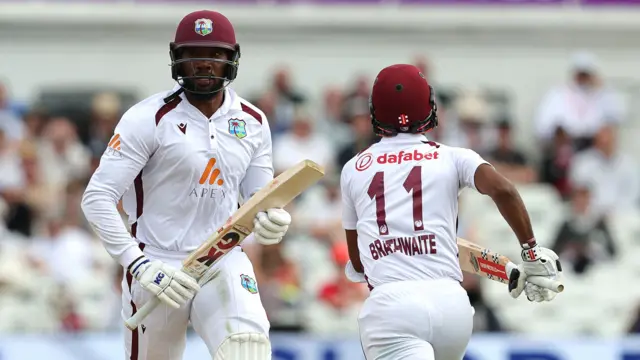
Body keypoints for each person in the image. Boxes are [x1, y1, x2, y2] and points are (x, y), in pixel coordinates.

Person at [81, 10, 290, 360]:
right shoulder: (147, 118)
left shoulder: (253, 121)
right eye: (193, 55)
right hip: (157, 264)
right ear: (178, 59)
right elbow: (97, 198)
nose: (204, 64)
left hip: (222, 257)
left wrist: (271, 219)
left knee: (247, 350)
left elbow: (259, 197)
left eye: (215, 55)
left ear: (231, 59)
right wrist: (138, 264)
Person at [339, 64, 563, 360]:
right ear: (429, 107)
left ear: (375, 112)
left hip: (393, 308)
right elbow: (504, 190)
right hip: (451, 307)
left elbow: (359, 261)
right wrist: (529, 254)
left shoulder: (354, 169)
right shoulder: (452, 156)